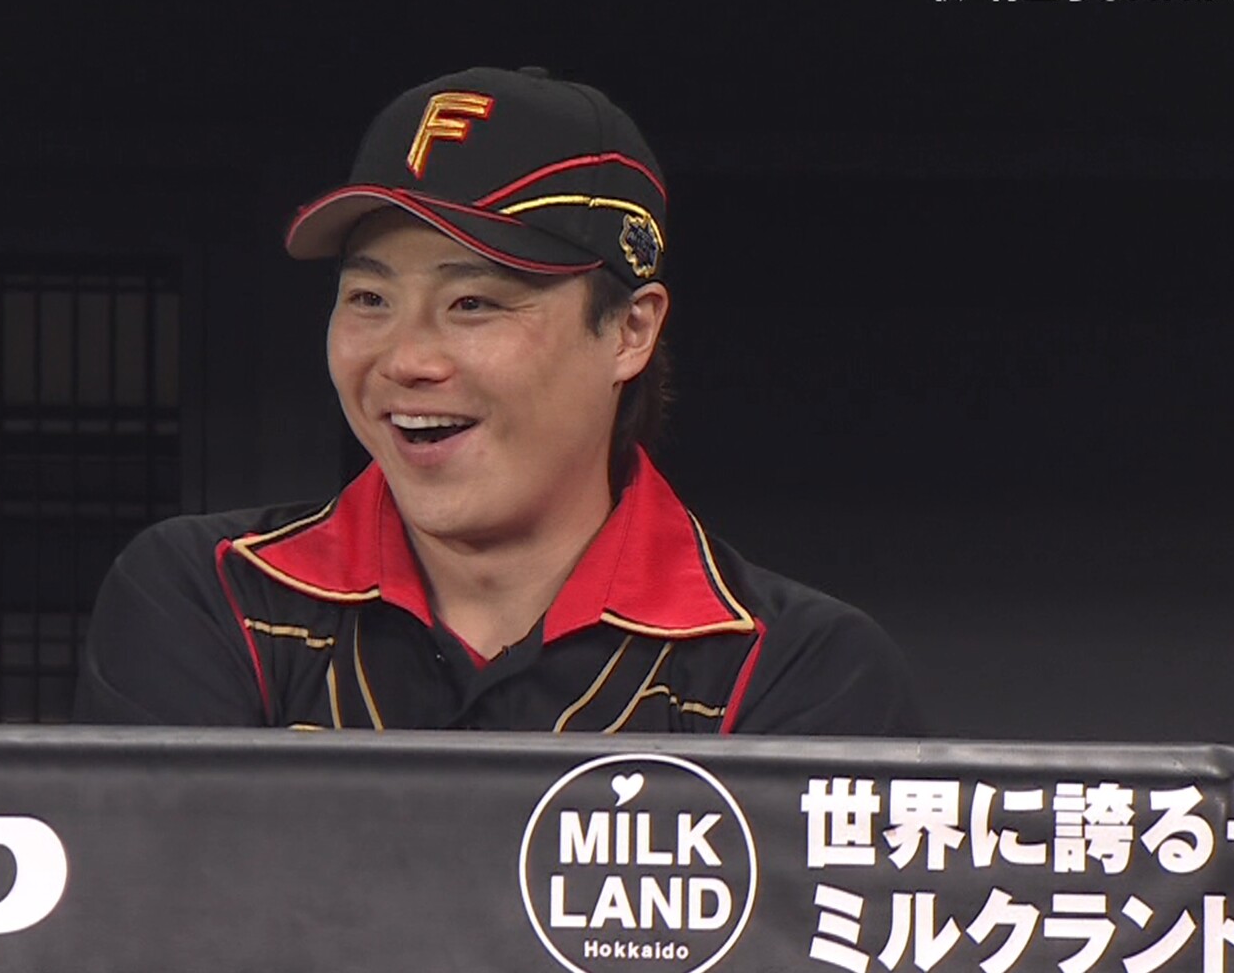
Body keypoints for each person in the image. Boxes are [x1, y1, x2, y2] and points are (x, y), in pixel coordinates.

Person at [74, 66, 920, 734]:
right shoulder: (213, 595)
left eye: (473, 303)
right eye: (369, 298)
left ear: (630, 330)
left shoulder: (792, 669)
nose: (407, 359)